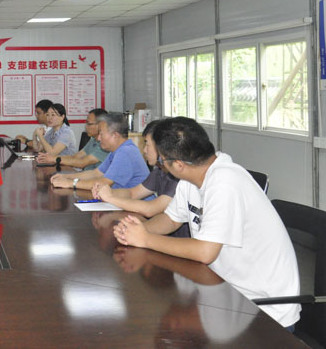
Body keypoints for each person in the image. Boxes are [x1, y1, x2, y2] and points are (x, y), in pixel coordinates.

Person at [113, 116, 300, 329]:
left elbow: (205, 252)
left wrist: (146, 239)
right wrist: (135, 231)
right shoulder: (191, 178)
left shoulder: (225, 183)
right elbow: (170, 219)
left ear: (179, 165)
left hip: (263, 307)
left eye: (162, 161)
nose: (160, 166)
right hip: (222, 291)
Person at [91, 121, 188, 237]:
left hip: (177, 240)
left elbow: (150, 209)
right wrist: (107, 191)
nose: (144, 150)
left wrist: (110, 198)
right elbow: (132, 193)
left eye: (147, 144)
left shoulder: (179, 177)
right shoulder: (159, 171)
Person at [50, 112, 148, 191]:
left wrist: (71, 183)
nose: (99, 138)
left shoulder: (125, 152)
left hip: (134, 206)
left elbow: (104, 183)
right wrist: (67, 177)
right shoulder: (116, 151)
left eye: (101, 134)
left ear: (115, 135)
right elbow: (95, 173)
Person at [37, 108, 108, 169]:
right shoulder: (93, 139)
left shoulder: (106, 144)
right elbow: (76, 156)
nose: (86, 126)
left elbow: (82, 163)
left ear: (101, 125)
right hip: (85, 175)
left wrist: (54, 159)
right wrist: (52, 158)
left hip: (92, 179)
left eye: (89, 124)